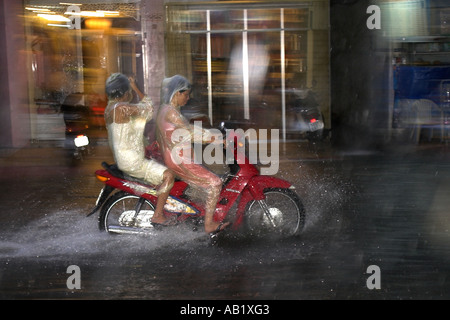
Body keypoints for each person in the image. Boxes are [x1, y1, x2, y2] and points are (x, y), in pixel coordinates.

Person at [156, 75, 230, 235]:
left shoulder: (166, 109)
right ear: (177, 93)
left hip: (177, 157)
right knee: (215, 183)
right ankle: (209, 224)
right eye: (186, 94)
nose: (188, 98)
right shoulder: (171, 112)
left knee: (206, 180)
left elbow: (190, 129)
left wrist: (214, 135)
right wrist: (215, 138)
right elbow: (190, 132)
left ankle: (197, 215)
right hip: (180, 160)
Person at [104, 73, 175, 227]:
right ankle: (158, 215)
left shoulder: (109, 108)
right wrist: (136, 87)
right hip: (133, 161)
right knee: (169, 175)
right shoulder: (122, 108)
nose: (131, 94)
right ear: (124, 92)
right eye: (128, 90)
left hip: (125, 158)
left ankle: (160, 201)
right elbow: (149, 110)